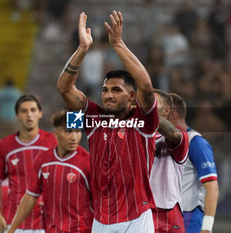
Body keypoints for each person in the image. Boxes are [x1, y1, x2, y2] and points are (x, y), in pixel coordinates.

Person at [57, 11, 158, 232]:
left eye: (116, 90)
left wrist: (118, 44)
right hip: (101, 220)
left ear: (131, 97)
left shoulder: (144, 121)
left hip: (137, 218)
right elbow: (64, 88)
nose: (108, 95)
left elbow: (147, 87)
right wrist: (82, 49)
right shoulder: (93, 118)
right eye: (105, 90)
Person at [8, 110, 93, 233]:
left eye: (78, 131)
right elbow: (30, 196)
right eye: (68, 132)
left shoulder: (88, 162)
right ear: (55, 133)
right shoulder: (43, 160)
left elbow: (102, 202)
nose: (74, 137)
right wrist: (12, 229)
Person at [0, 95, 57, 233]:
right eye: (24, 111)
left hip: (45, 224)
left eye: (33, 110)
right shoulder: (5, 145)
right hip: (13, 224)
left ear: (40, 113)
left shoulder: (52, 142)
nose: (29, 115)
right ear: (17, 115)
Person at [168, 93, 219, 233]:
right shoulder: (162, 143)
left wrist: (207, 228)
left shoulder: (196, 143)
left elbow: (212, 187)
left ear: (173, 114)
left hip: (188, 218)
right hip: (167, 217)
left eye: (163, 111)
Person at [150, 89, 189, 233]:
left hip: (168, 213)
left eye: (151, 103)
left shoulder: (180, 137)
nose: (146, 106)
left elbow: (172, 133)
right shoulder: (136, 137)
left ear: (166, 111)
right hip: (141, 212)